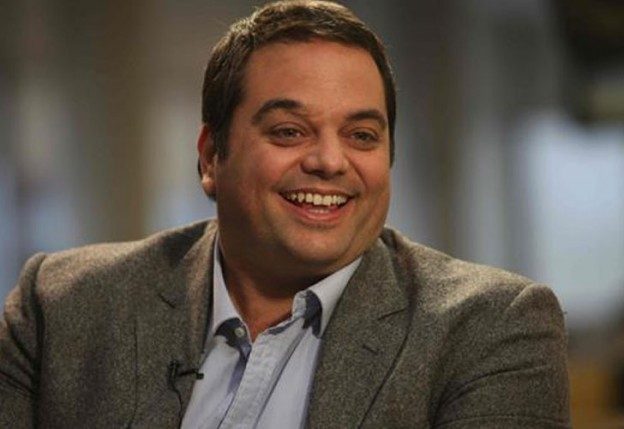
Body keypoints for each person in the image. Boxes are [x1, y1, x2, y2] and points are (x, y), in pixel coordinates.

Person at [0, 1, 570, 428]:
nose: (329, 161)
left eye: (362, 135)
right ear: (210, 157)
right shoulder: (59, 305)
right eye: (289, 131)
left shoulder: (491, 329)